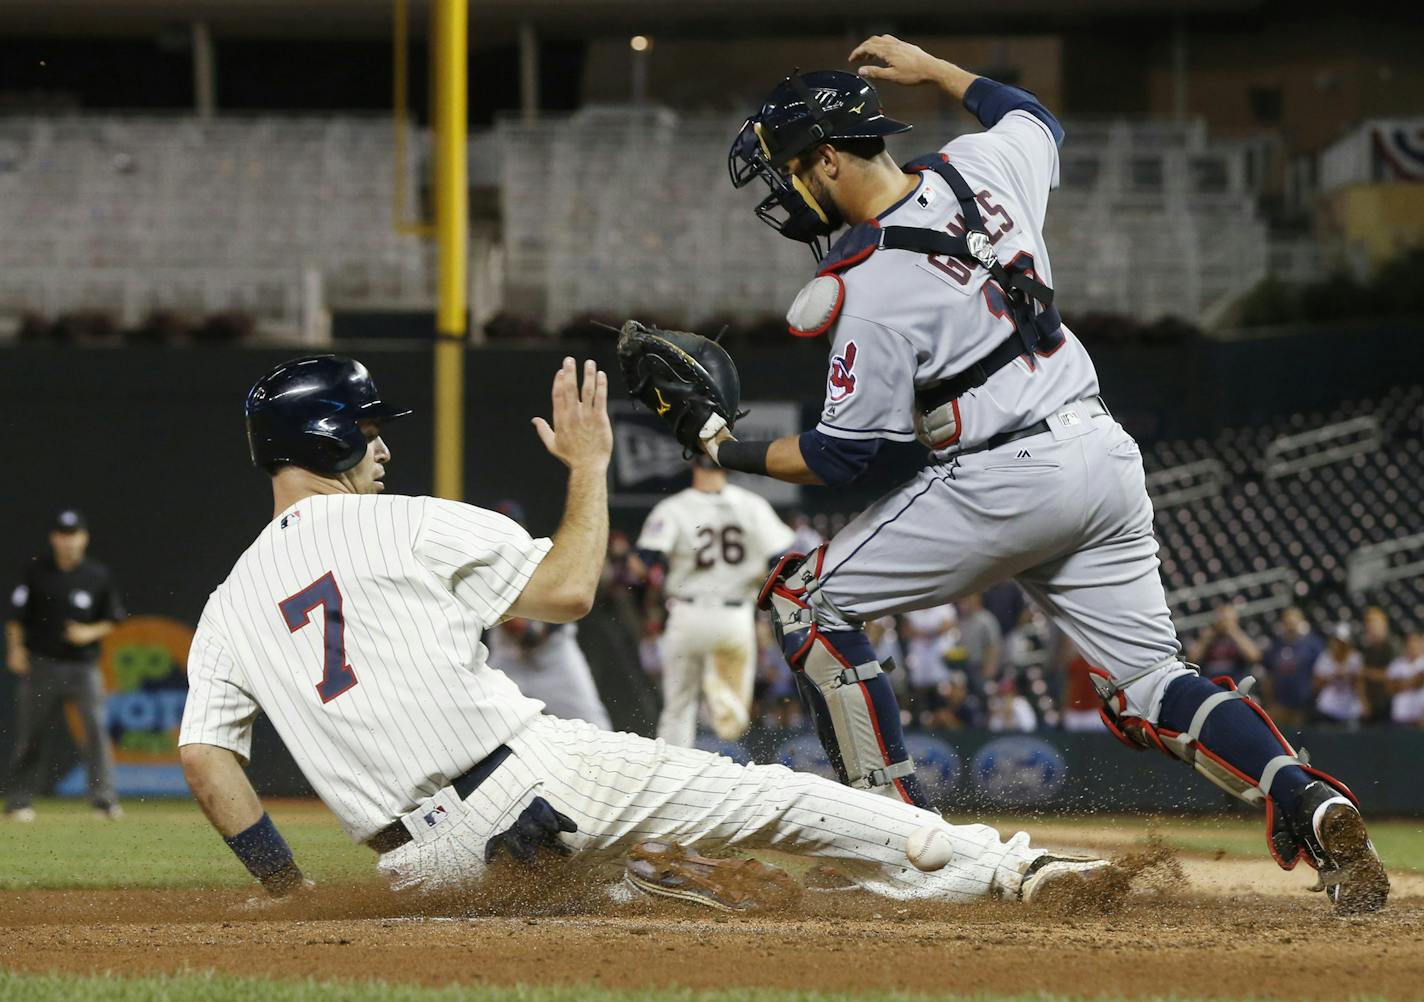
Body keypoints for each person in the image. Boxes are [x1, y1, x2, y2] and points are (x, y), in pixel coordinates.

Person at [699, 34, 1386, 911]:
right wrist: (938, 70)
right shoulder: (977, 169)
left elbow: (841, 456)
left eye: (791, 168)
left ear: (829, 158)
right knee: (1150, 682)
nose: (785, 190)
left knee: (806, 597)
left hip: (1005, 475)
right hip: (1102, 452)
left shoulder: (869, 283)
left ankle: (895, 842)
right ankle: (1306, 794)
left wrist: (723, 448)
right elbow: (1033, 117)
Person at [177, 354, 1107, 909]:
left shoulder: (230, 600)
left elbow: (208, 763)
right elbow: (572, 591)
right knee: (776, 800)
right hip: (536, 780)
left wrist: (286, 890)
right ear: (334, 434)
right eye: (370, 427)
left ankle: (651, 871)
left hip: (427, 869)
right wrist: (589, 466)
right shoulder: (403, 520)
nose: (383, 445)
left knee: (648, 888)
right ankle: (1009, 872)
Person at [633, 456, 796, 747]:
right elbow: (784, 560)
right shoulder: (752, 505)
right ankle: (716, 688)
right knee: (733, 721)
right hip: (735, 618)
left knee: (678, 708)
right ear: (725, 465)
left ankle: (671, 776)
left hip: (687, 613)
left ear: (692, 464)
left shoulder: (674, 507)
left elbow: (641, 565)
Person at [5, 509, 124, 822]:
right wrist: (15, 650)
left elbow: (113, 619)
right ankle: (19, 801)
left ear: (84, 538)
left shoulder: (97, 575)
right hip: (41, 664)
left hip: (83, 668)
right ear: (54, 538)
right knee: (31, 734)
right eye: (62, 534)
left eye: (74, 535)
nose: (68, 541)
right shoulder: (36, 572)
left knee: (96, 732)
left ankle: (104, 800)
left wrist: (88, 632)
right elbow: (17, 617)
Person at [482, 501, 611, 729]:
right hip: (509, 660)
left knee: (595, 725)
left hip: (554, 658)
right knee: (479, 726)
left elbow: (548, 622)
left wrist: (530, 628)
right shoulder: (482, 565)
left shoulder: (542, 556)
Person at [1261, 607, 1323, 729]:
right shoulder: (1276, 646)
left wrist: (1313, 697)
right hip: (1280, 704)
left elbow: (1321, 673)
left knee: (1301, 739)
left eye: (1293, 621)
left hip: (1304, 704)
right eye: (1287, 621)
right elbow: (1269, 675)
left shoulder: (1312, 644)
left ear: (1301, 622)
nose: (1290, 625)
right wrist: (1271, 701)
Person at [1187, 603, 1262, 687]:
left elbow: (1255, 656)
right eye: (1221, 618)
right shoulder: (1209, 636)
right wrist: (1206, 638)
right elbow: (1191, 659)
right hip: (1211, 683)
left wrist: (1233, 632)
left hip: (1235, 683)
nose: (1224, 622)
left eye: (1227, 619)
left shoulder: (1241, 636)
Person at [1313, 625, 1365, 726]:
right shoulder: (1325, 658)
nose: (1340, 645)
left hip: (1350, 707)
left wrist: (1350, 676)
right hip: (1328, 707)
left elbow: (1360, 683)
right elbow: (1316, 684)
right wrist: (1332, 677)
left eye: (1342, 643)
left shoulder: (1355, 658)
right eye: (1337, 642)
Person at [1358, 606, 1398, 727]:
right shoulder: (1367, 649)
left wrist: (1370, 673)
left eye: (1375, 625)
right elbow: (1361, 677)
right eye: (1369, 625)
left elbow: (1397, 675)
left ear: (1384, 625)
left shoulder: (1393, 646)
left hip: (1390, 705)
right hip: (1372, 704)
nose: (1372, 629)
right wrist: (1364, 702)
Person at [1385, 630, 1424, 728]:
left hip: (1420, 720)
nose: (1412, 645)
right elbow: (1389, 688)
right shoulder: (1396, 664)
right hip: (1399, 718)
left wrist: (1400, 683)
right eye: (1410, 641)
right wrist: (1413, 681)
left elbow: (1419, 681)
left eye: (1416, 641)